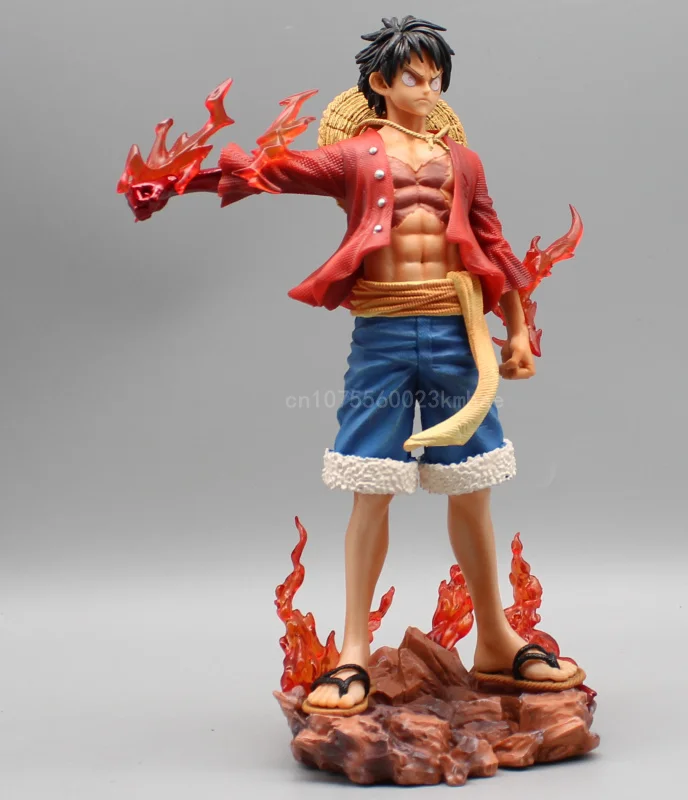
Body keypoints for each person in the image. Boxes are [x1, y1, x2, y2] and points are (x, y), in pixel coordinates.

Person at [123, 15, 584, 716]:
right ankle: (355, 653)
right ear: (380, 83)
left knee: (473, 486)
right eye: (413, 77)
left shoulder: (464, 162)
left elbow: (495, 247)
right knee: (371, 486)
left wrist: (518, 333)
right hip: (384, 336)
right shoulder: (353, 157)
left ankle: (494, 637)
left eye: (436, 78)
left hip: (459, 334)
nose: (427, 89)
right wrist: (177, 181)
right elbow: (267, 172)